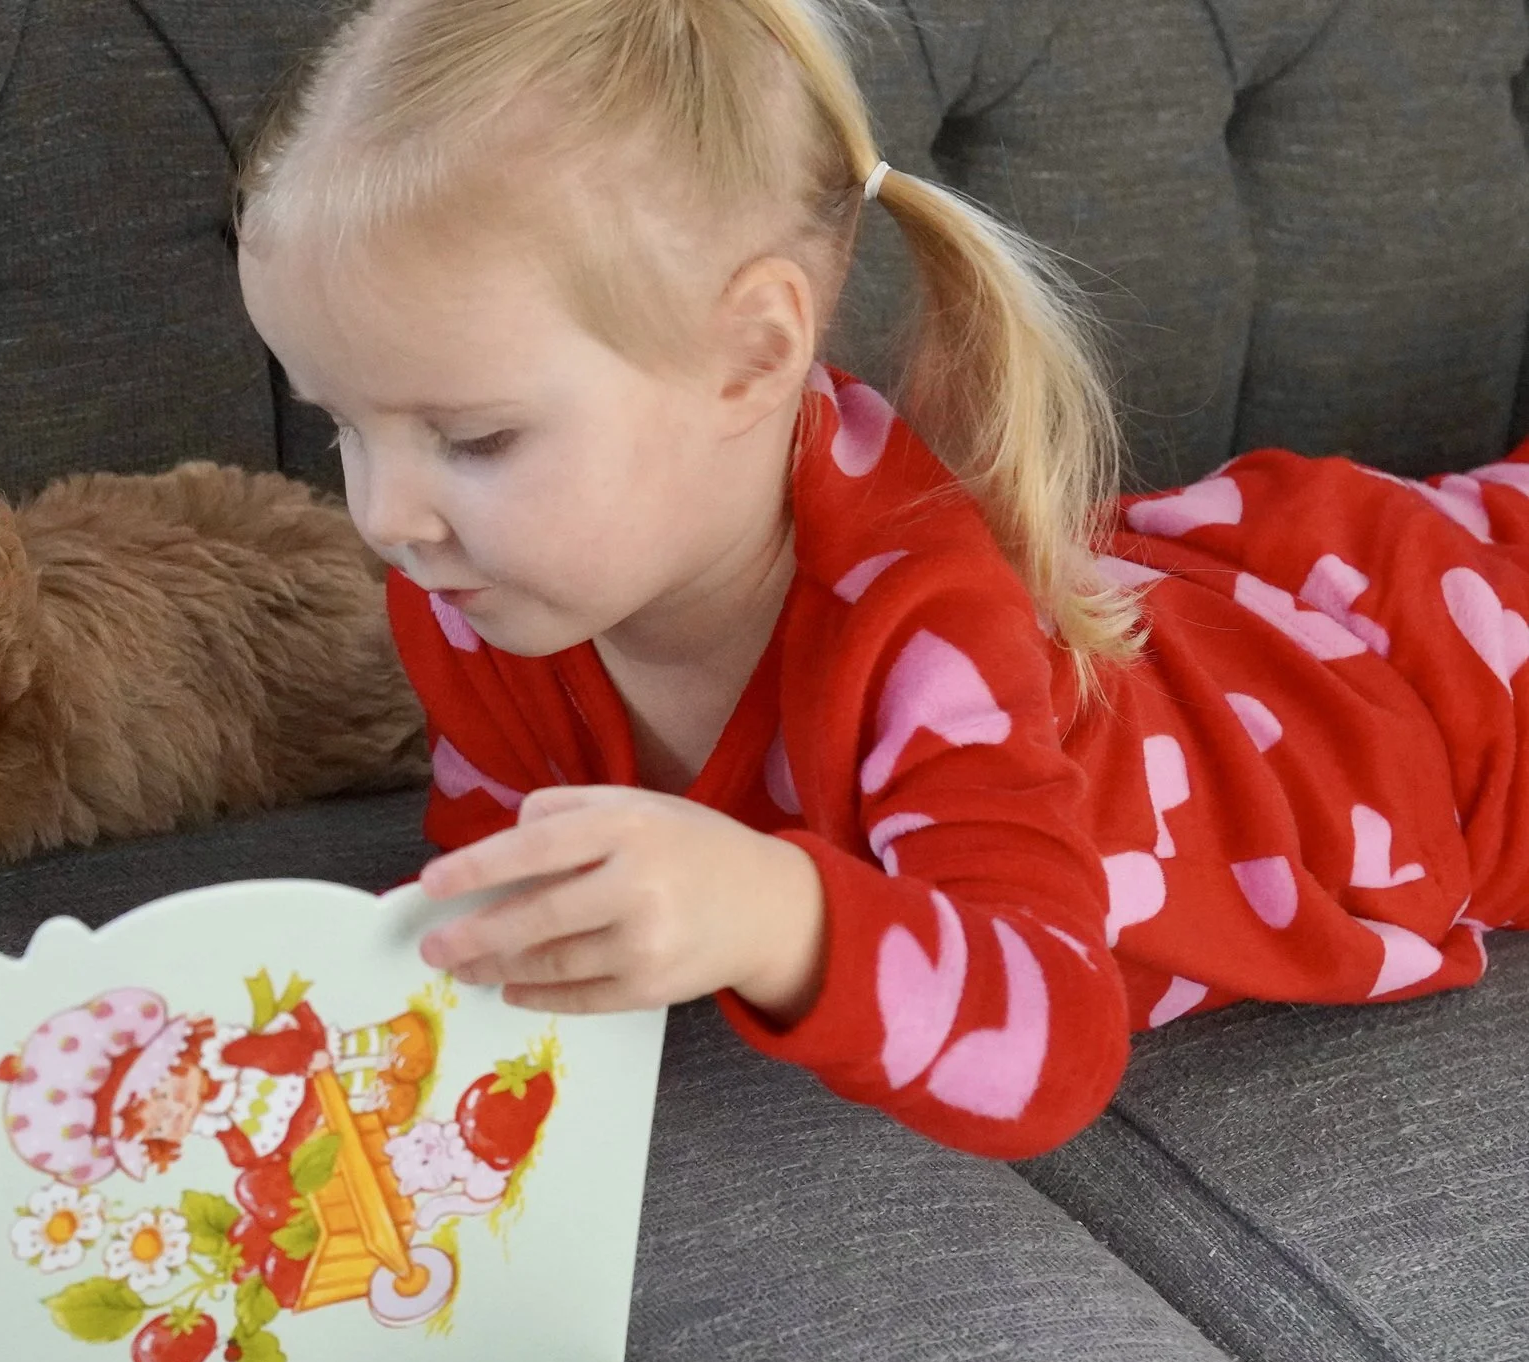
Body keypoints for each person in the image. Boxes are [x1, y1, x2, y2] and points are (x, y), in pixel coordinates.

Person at [232, 0, 1529, 1159]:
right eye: (345, 424)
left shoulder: (925, 640)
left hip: (1438, 719)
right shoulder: (479, 592)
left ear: (751, 355)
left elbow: (1053, 1040)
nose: (385, 512)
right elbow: (501, 879)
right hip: (1227, 595)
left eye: (474, 439)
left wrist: (778, 914)